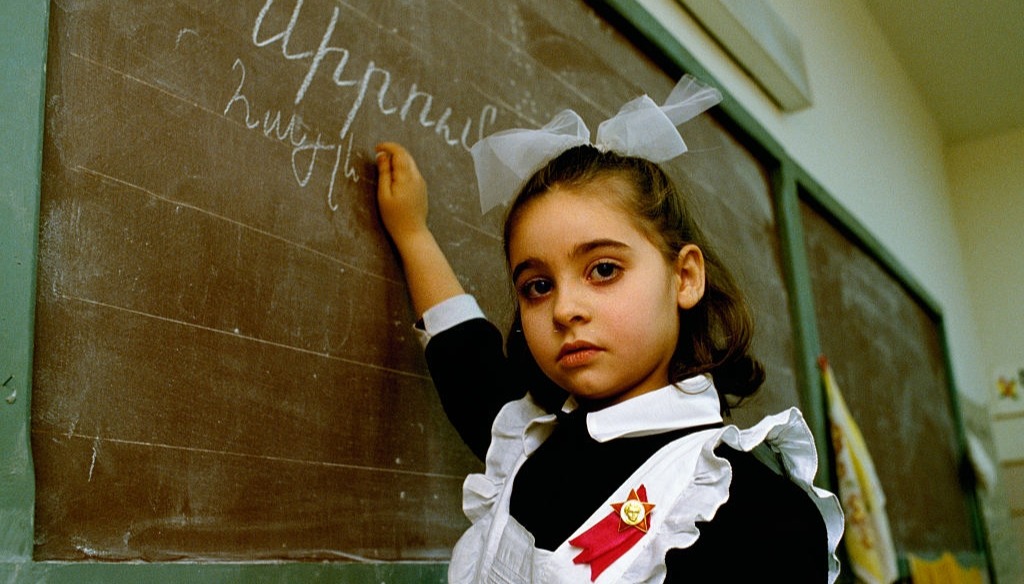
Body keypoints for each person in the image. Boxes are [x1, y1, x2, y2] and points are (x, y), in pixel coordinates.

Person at [374, 76, 843, 583]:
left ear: (684, 277)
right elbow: (465, 357)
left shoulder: (758, 512)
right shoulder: (532, 441)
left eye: (603, 270)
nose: (564, 309)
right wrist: (412, 231)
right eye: (536, 286)